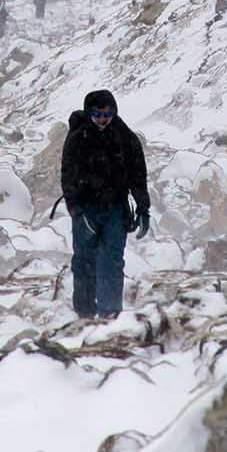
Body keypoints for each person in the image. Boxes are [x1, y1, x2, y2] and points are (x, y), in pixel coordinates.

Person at [60, 89, 150, 319]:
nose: (103, 119)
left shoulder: (125, 138)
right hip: (86, 210)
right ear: (89, 112)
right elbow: (68, 178)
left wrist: (143, 209)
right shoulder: (77, 139)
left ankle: (110, 313)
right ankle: (85, 314)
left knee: (111, 262)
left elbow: (138, 176)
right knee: (84, 261)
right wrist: (77, 212)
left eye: (107, 113)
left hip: (116, 210)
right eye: (97, 113)